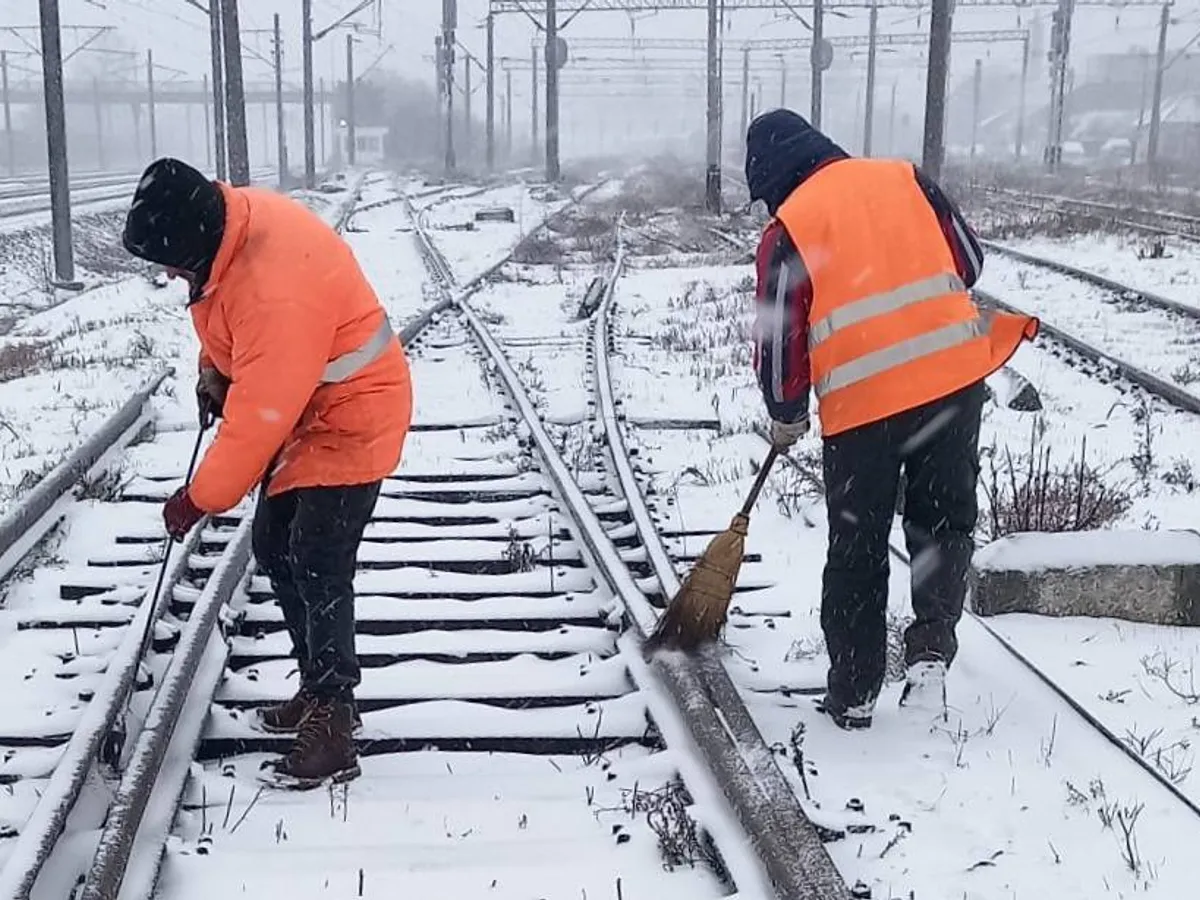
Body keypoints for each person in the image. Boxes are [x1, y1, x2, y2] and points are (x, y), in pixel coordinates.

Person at [744, 110, 1038, 731]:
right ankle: (930, 655)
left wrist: (786, 412)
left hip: (864, 408)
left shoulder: (789, 226)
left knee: (858, 544)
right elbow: (970, 260)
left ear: (773, 176)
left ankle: (853, 693)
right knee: (942, 520)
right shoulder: (905, 178)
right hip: (953, 384)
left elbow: (778, 340)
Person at [122, 158, 413, 786]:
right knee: (274, 544)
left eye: (171, 261)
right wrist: (214, 371)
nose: (171, 274)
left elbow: (260, 415)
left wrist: (198, 498)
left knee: (316, 554)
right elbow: (229, 317)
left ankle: (335, 719)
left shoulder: (274, 284)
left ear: (195, 240)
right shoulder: (229, 238)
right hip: (313, 409)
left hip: (353, 411)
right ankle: (317, 689)